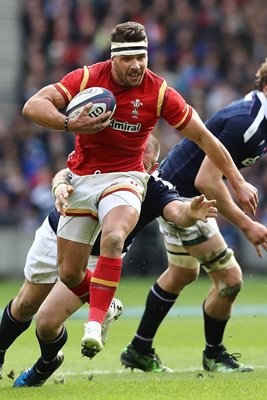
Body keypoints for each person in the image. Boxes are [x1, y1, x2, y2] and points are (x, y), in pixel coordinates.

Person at [21, 20, 257, 364]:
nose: (136, 65)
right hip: (82, 188)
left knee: (118, 240)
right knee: (58, 284)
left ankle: (102, 329)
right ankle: (117, 326)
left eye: (142, 57)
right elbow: (32, 106)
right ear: (114, 59)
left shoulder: (159, 94)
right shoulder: (87, 78)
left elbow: (205, 138)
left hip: (122, 188)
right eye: (128, 58)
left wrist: (235, 181)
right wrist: (70, 124)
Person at [10, 135, 217, 386]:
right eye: (131, 159)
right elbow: (64, 173)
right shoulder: (102, 163)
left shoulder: (155, 188)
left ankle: (46, 364)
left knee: (46, 323)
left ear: (153, 167)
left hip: (96, 260)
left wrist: (190, 213)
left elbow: (176, 211)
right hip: (55, 235)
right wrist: (59, 187)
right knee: (24, 304)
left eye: (143, 164)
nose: (133, 167)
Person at [120, 58, 267, 373]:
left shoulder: (256, 116)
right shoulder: (248, 122)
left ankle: (139, 347)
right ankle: (214, 354)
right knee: (230, 279)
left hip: (178, 190)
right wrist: (247, 225)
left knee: (182, 272)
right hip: (185, 198)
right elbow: (208, 180)